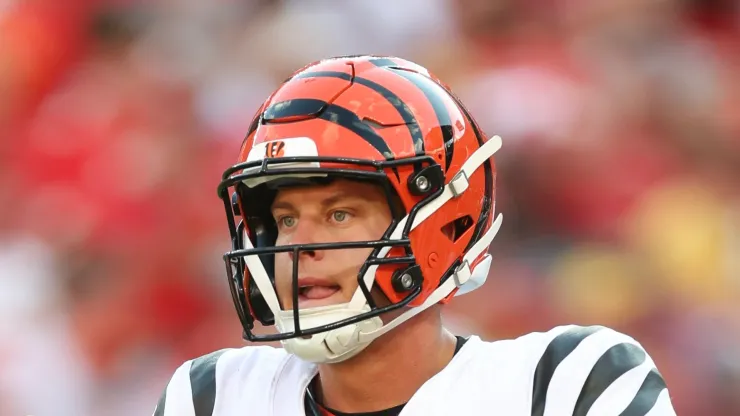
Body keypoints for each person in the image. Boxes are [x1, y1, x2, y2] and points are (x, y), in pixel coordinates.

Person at [153, 55, 676, 415]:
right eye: (286, 219)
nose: (298, 245)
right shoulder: (213, 396)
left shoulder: (567, 385)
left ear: (441, 222)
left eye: (339, 214)